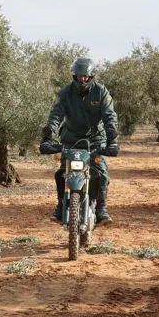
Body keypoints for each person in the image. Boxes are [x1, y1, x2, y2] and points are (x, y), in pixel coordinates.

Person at [40, 57, 119, 225]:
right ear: (74, 76)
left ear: (91, 77)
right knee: (63, 172)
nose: (82, 80)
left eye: (86, 77)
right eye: (79, 76)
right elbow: (55, 116)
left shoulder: (101, 92)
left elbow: (109, 116)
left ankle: (101, 208)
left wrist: (112, 139)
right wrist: (48, 136)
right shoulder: (65, 93)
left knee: (101, 172)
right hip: (71, 138)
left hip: (96, 138)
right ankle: (61, 205)